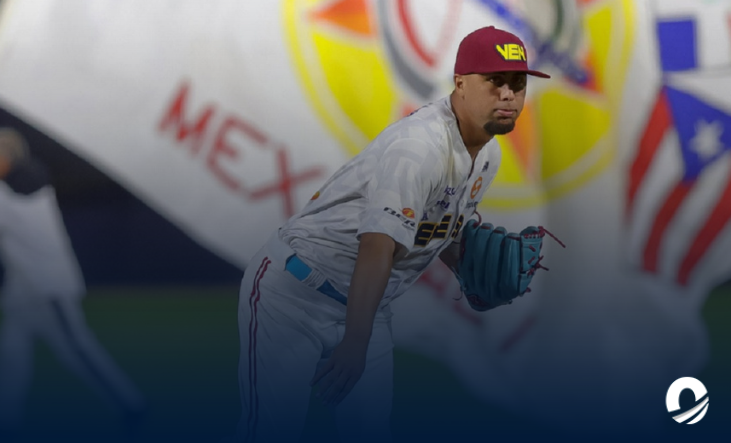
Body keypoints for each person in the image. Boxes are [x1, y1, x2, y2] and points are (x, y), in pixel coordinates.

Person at [232, 26, 550, 443]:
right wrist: (356, 341)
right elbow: (377, 246)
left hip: (368, 304)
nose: (509, 94)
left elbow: (436, 228)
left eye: (518, 83)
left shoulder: (488, 154)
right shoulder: (419, 147)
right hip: (294, 296)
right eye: (495, 81)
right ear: (460, 83)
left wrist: (469, 267)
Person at [0, 102, 147, 438]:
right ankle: (3, 423)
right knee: (12, 351)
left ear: (3, 162)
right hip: (24, 287)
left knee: (77, 348)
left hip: (48, 286)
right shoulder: (32, 172)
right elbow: (3, 154)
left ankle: (132, 406)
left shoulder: (0, 195)